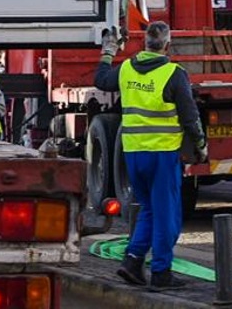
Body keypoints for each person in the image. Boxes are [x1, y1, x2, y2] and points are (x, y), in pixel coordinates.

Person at [95, 21, 208, 291]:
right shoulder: (174, 74)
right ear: (167, 46)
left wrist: (108, 51)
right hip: (162, 154)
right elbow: (190, 117)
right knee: (167, 214)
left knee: (148, 209)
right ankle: (161, 272)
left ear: (144, 44)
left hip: (133, 153)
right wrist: (200, 145)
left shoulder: (125, 69)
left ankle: (132, 262)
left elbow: (100, 80)